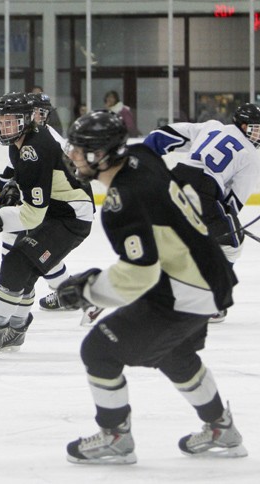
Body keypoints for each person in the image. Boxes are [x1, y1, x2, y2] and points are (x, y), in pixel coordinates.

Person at [58, 110, 245, 464]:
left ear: (102, 155)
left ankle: (115, 438)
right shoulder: (142, 156)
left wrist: (87, 290)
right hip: (211, 275)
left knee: (98, 350)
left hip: (186, 291)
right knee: (174, 354)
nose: (73, 156)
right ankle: (222, 430)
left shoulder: (122, 202)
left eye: (81, 150)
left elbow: (138, 274)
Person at [0, 92, 95, 359]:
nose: (3, 126)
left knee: (16, 262)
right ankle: (16, 329)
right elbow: (27, 184)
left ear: (27, 120)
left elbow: (32, 215)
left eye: (11, 121)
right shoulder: (20, 144)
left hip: (71, 218)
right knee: (26, 270)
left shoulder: (34, 149)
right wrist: (6, 188)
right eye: (1, 120)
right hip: (57, 211)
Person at [143, 103, 260, 323]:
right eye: (256, 128)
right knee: (232, 242)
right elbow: (232, 204)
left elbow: (165, 134)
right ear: (243, 126)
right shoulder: (252, 157)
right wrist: (222, 226)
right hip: (202, 191)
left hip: (173, 182)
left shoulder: (211, 126)